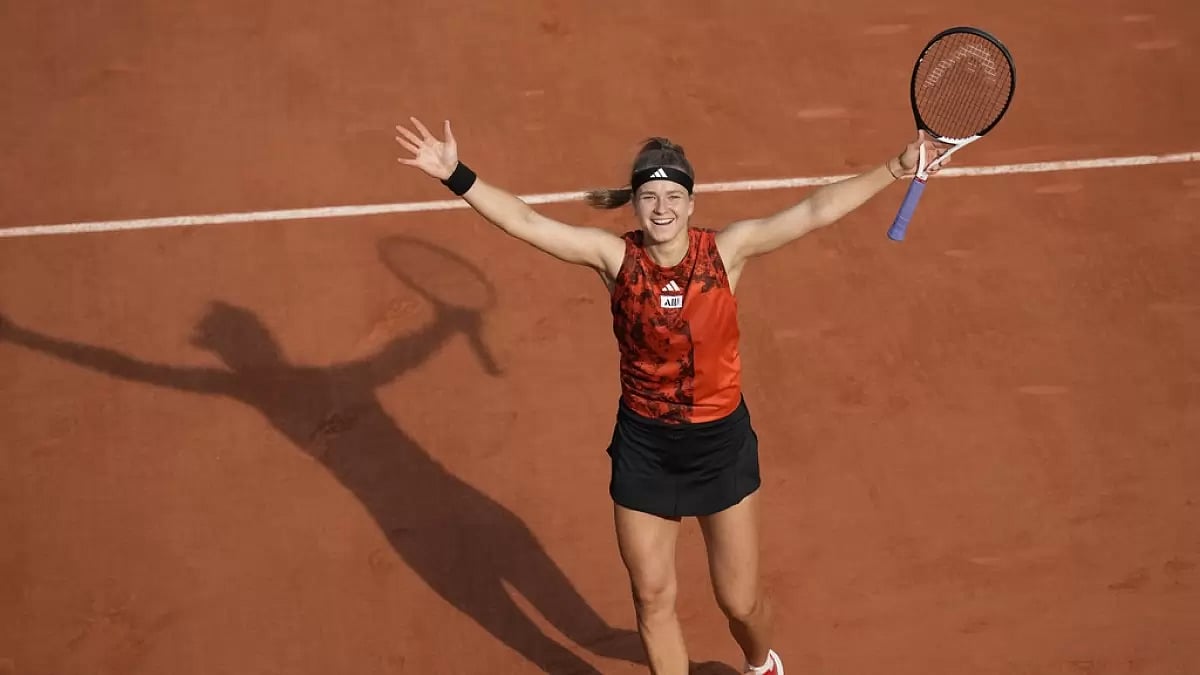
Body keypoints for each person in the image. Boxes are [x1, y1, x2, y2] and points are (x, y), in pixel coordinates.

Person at [394, 117, 949, 675]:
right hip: (644, 448)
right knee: (652, 599)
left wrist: (897, 167)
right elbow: (525, 221)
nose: (662, 207)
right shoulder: (613, 259)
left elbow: (813, 211)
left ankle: (761, 665)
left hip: (719, 446)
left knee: (740, 602)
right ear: (634, 203)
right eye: (650, 195)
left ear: (690, 203)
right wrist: (455, 175)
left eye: (673, 195)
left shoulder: (728, 252)